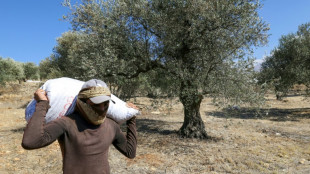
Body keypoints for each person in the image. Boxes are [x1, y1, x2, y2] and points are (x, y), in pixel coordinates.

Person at [22, 79, 138, 174]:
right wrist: (42, 104)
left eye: (106, 103)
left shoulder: (111, 125)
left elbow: (130, 152)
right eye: (96, 104)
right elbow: (30, 142)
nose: (102, 109)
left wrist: (131, 118)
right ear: (82, 102)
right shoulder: (67, 123)